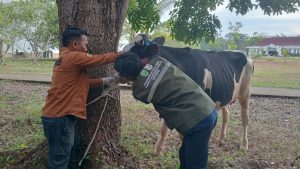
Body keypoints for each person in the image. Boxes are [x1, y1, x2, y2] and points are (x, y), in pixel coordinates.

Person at [114, 52, 218, 169]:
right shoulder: (158, 60)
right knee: (184, 155)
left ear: (127, 76)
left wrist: (123, 79)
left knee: (195, 165)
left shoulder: (139, 91)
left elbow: (141, 84)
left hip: (198, 121)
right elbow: (148, 67)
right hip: (209, 108)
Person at [41, 27, 120, 169]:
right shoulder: (73, 57)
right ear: (75, 45)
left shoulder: (63, 59)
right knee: (59, 161)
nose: (86, 49)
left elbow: (81, 83)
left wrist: (107, 80)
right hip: (61, 119)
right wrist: (122, 54)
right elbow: (99, 59)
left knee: (67, 154)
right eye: (85, 44)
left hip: (57, 118)